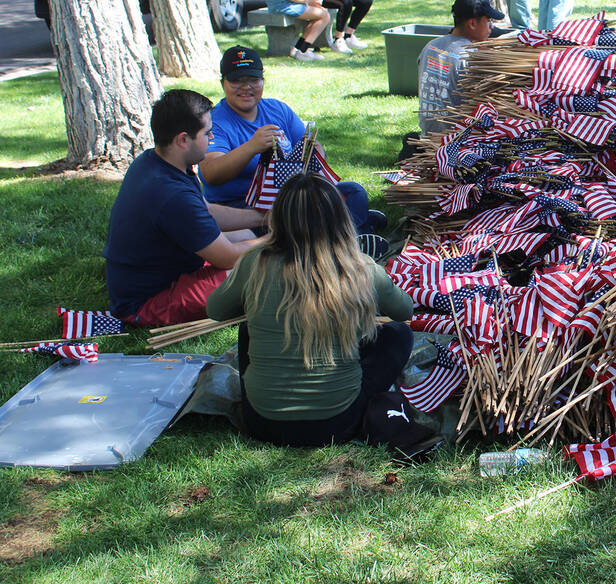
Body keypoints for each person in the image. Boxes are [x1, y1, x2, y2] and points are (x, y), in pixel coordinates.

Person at [207, 174, 415, 447]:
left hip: (262, 423)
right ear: (340, 218)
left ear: (278, 218)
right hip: (337, 423)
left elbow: (215, 309)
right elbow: (404, 311)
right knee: (397, 335)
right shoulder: (360, 267)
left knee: (248, 329)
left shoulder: (255, 263)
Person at [197, 47, 388, 255]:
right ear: (222, 83)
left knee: (353, 192)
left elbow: (310, 145)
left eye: (253, 79)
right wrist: (251, 147)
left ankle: (348, 233)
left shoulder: (277, 109)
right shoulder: (216, 121)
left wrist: (315, 155)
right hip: (243, 207)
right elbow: (211, 173)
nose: (246, 87)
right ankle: (352, 233)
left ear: (263, 80)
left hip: (290, 195)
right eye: (237, 81)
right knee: (301, 217)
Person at [104, 89, 266, 327]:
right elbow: (227, 258)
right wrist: (283, 237)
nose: (211, 139)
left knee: (246, 237)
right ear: (183, 139)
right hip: (148, 303)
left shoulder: (156, 160)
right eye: (207, 133)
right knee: (260, 269)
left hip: (167, 272)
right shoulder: (172, 195)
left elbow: (208, 212)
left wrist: (264, 219)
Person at [417, 0, 503, 135]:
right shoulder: (470, 57)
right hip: (457, 140)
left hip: (427, 134)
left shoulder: (430, 46)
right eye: (488, 20)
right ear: (472, 23)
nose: (491, 27)